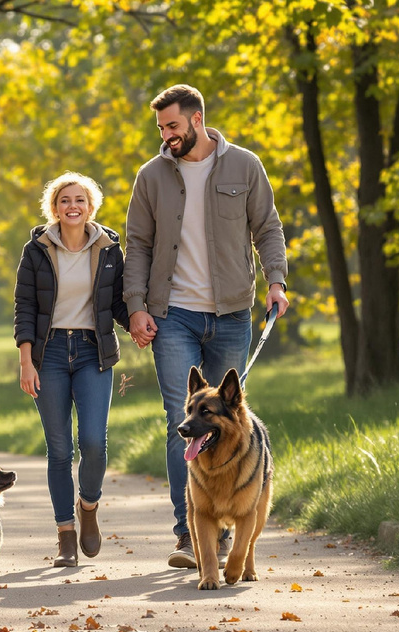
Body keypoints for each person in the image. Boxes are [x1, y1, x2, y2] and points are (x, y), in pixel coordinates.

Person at [123, 84, 289, 569]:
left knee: (229, 421)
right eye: (161, 128)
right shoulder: (152, 176)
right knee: (187, 422)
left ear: (197, 119)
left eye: (172, 126)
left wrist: (276, 281)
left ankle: (232, 522)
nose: (166, 135)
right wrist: (137, 307)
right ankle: (190, 536)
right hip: (172, 314)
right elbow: (138, 243)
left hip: (233, 311)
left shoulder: (244, 165)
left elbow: (268, 227)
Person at [14, 172, 130, 568]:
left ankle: (89, 506)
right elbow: (25, 309)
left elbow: (118, 303)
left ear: (90, 206)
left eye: (79, 199)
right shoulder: (37, 250)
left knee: (94, 442)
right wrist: (26, 361)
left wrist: (139, 322)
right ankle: (66, 534)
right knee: (60, 449)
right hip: (48, 356)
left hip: (91, 352)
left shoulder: (110, 248)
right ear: (55, 207)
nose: (72, 206)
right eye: (65, 200)